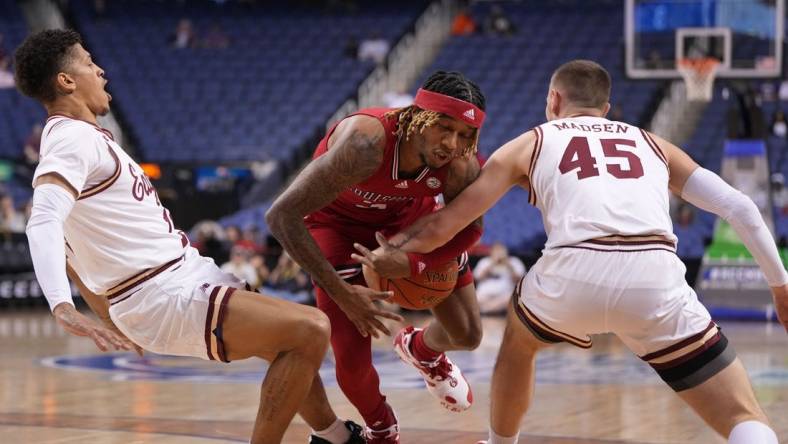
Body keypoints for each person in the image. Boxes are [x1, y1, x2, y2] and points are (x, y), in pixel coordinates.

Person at [362, 60, 788, 444]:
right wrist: (780, 287)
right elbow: (740, 206)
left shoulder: (531, 141)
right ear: (606, 107)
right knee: (742, 416)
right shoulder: (652, 142)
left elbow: (445, 224)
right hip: (655, 275)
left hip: (573, 272)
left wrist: (391, 255)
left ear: (553, 99)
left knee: (519, 343)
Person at [14, 29, 364, 444]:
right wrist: (61, 305)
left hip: (174, 280)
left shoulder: (86, 140)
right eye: (89, 62)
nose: (101, 69)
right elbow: (44, 221)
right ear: (67, 81)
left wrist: (110, 315)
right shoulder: (70, 140)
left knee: (287, 344)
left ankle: (335, 437)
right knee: (310, 329)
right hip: (160, 291)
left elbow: (74, 254)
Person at [266, 71, 487, 442]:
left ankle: (421, 350)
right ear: (419, 115)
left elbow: (472, 228)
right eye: (443, 128)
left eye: (464, 134)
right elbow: (280, 215)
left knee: (467, 334)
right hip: (335, 227)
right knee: (352, 364)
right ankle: (381, 428)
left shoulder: (459, 163)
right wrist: (343, 293)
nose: (451, 142)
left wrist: (418, 264)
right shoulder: (365, 143)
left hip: (408, 223)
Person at [473, 242, 525, 314]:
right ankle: (492, 310)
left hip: (504, 295)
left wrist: (509, 266)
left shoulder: (514, 262)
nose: (499, 254)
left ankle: (485, 310)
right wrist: (492, 264)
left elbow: (519, 281)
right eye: (496, 251)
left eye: (501, 251)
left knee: (512, 300)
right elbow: (477, 278)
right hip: (484, 294)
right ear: (491, 252)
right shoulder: (485, 261)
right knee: (474, 299)